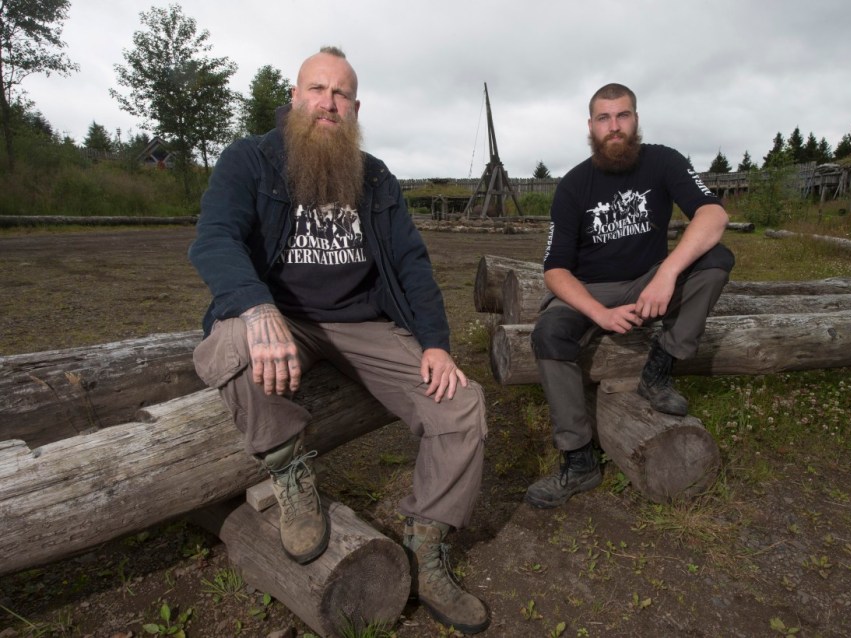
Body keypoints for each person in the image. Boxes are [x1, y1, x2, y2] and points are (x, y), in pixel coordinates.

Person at [188, 47, 490, 634]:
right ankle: (290, 470)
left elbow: (411, 263)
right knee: (230, 347)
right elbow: (214, 238)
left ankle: (426, 549)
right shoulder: (250, 159)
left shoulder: (374, 176)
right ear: (296, 97)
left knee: (461, 405)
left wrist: (435, 342)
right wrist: (256, 309)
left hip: (363, 322)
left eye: (342, 94)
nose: (329, 103)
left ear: (355, 107)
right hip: (283, 315)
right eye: (317, 89)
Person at [526, 83, 734, 510]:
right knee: (549, 333)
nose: (614, 127)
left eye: (622, 116)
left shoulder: (663, 161)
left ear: (635, 120)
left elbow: (713, 214)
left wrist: (668, 275)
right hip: (591, 289)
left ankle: (659, 370)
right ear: (591, 126)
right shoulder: (573, 185)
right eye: (604, 118)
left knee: (716, 257)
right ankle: (579, 458)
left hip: (648, 278)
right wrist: (598, 313)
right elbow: (556, 269)